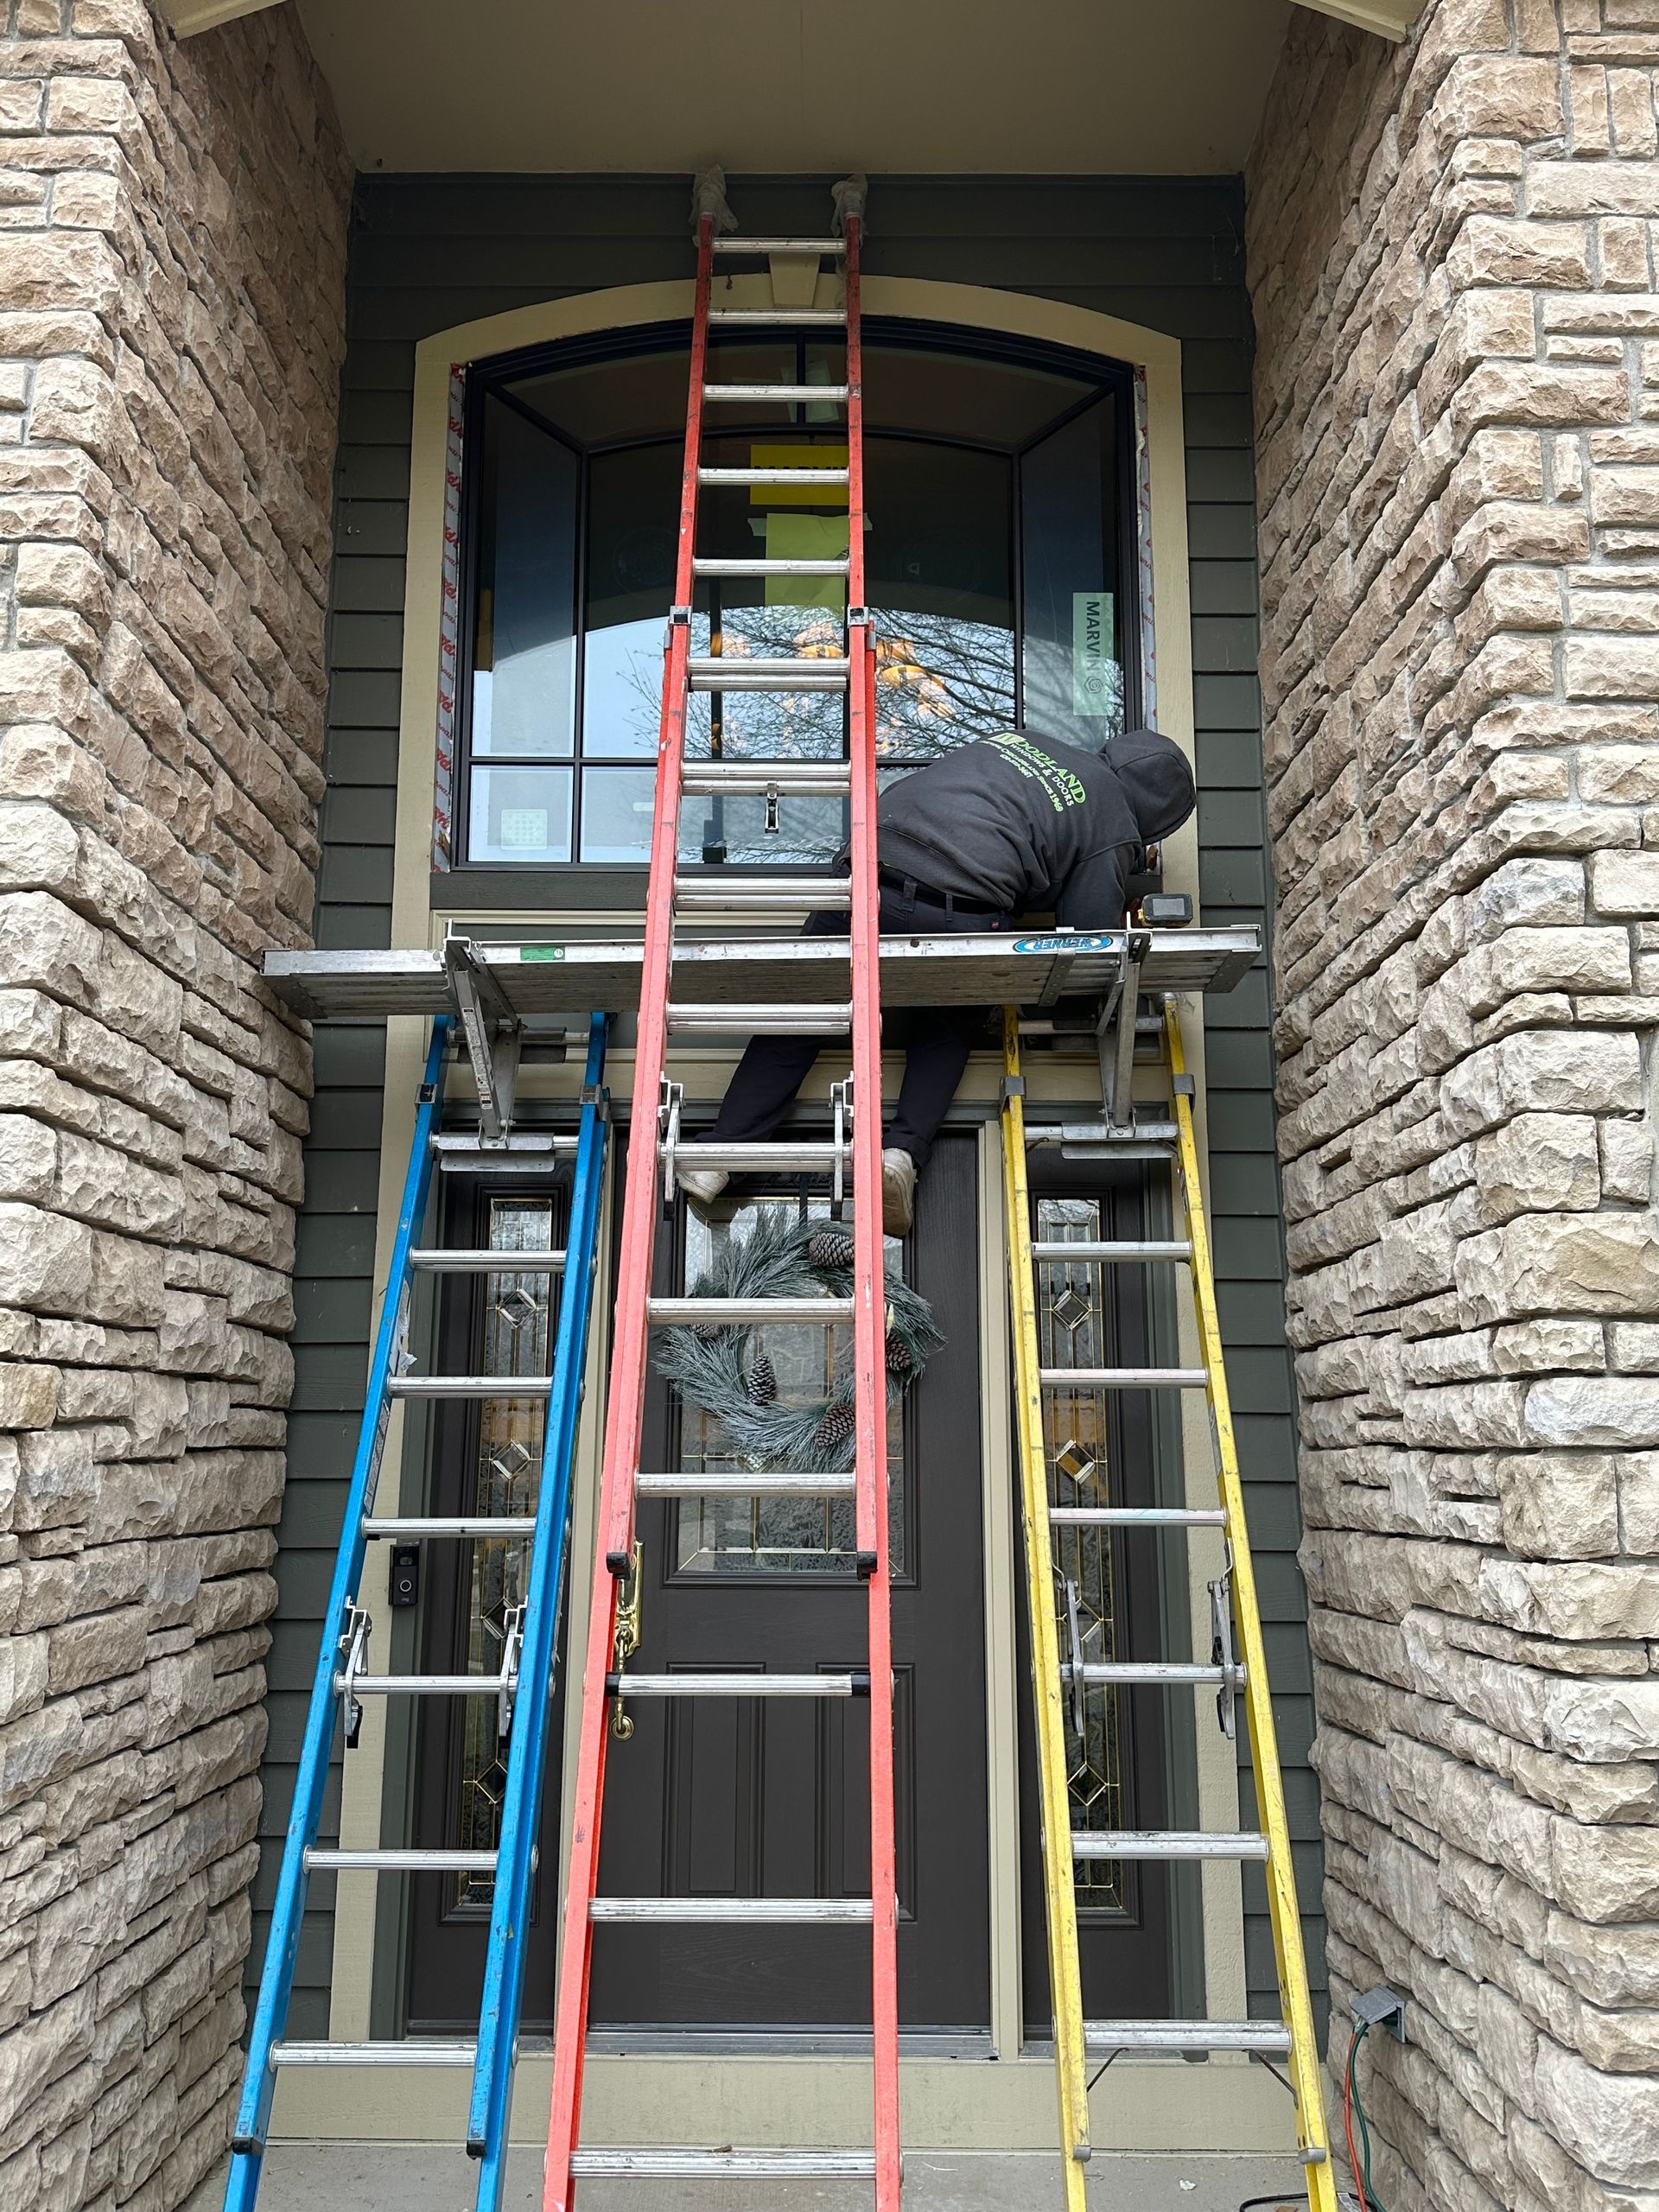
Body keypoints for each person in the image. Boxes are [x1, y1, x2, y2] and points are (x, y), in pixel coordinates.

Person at [677, 725, 1197, 1235]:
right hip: (958, 903)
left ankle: (721, 1153)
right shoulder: (1114, 821)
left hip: (865, 872)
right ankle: (900, 1155)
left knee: (804, 1015)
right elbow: (1087, 945)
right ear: (1155, 816)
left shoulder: (1022, 739)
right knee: (949, 1026)